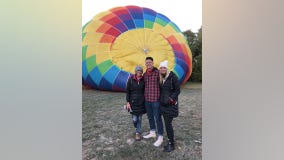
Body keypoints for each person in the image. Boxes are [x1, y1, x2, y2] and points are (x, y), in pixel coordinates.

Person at [159, 60, 180, 152]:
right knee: (167, 124)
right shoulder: (161, 78)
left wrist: (171, 99)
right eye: (161, 68)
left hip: (170, 105)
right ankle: (170, 141)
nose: (162, 69)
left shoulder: (172, 77)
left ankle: (172, 144)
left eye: (164, 68)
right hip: (163, 105)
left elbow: (177, 90)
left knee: (168, 124)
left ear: (167, 68)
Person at [143, 57, 164, 147]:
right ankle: (152, 132)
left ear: (153, 63)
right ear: (145, 64)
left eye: (150, 62)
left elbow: (164, 81)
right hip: (147, 100)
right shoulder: (144, 74)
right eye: (147, 62)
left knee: (158, 118)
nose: (148, 64)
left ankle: (160, 137)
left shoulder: (158, 72)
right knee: (150, 117)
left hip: (156, 100)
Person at [126, 65, 146, 141]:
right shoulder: (131, 80)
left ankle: (138, 133)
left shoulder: (144, 80)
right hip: (133, 102)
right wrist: (128, 102)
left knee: (140, 118)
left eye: (140, 71)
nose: (139, 72)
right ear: (135, 71)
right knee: (134, 119)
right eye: (138, 71)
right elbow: (128, 91)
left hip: (141, 102)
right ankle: (136, 127)